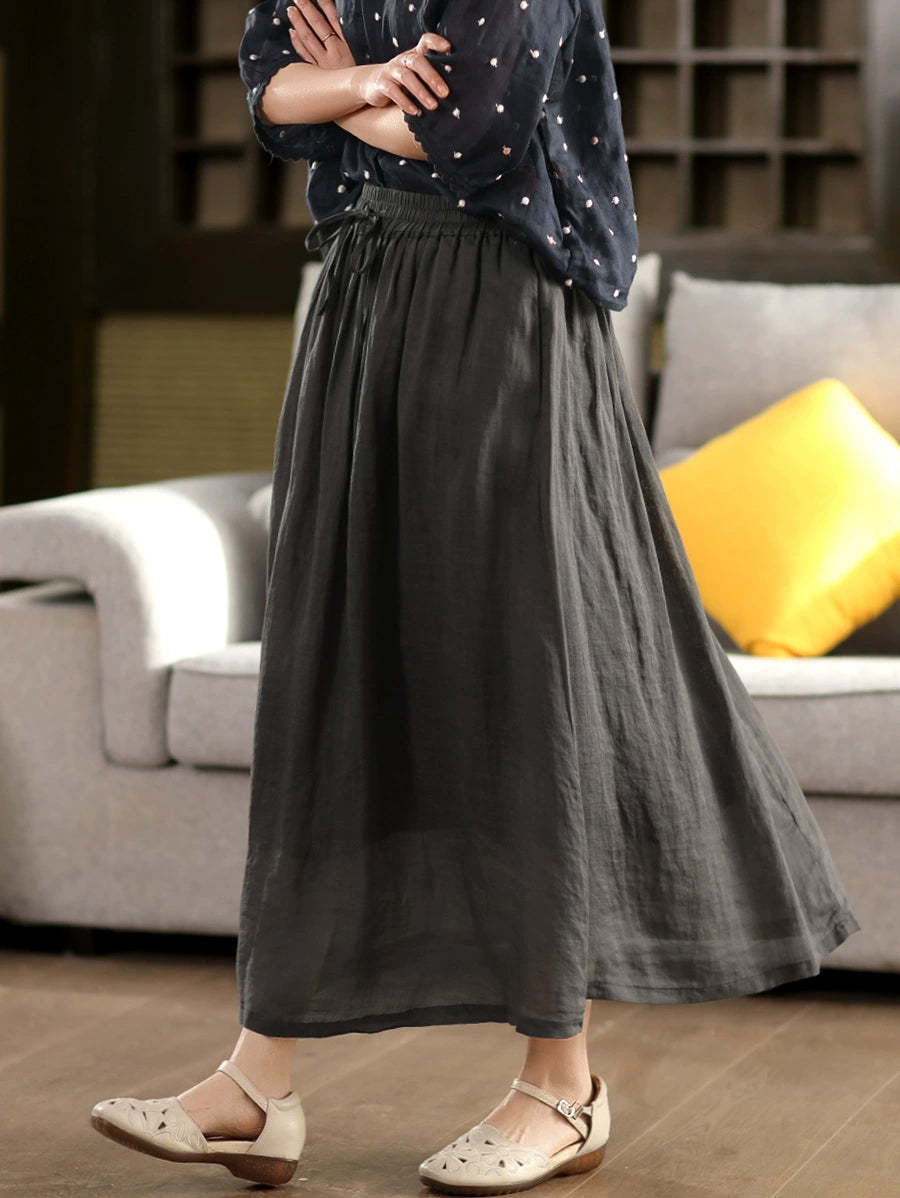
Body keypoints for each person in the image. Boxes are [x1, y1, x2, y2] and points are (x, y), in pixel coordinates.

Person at [90, 1, 862, 1193]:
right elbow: (268, 92)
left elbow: (472, 133)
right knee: (333, 671)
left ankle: (564, 1085)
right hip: (362, 309)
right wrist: (365, 88)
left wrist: (340, 89)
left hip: (499, 320)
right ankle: (257, 1082)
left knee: (518, 678)